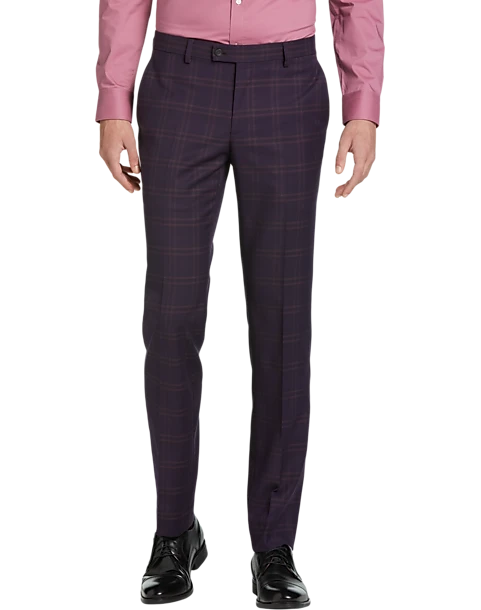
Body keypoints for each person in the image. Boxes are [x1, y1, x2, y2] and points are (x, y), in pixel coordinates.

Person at [96, 1, 385, 607]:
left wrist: (363, 104)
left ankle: (274, 545)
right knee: (170, 318)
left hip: (285, 81)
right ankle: (174, 534)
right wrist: (114, 97)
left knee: (283, 320)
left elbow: (354, 1)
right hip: (179, 81)